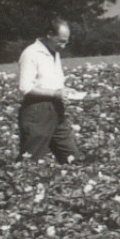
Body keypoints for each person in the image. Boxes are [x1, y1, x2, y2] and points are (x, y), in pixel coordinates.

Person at [17, 18, 84, 163]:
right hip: (37, 112)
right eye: (60, 41)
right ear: (49, 35)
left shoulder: (55, 53)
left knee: (73, 158)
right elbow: (25, 87)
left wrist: (65, 90)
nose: (64, 46)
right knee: (30, 160)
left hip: (56, 111)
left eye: (66, 42)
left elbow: (50, 82)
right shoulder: (31, 53)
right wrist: (55, 93)